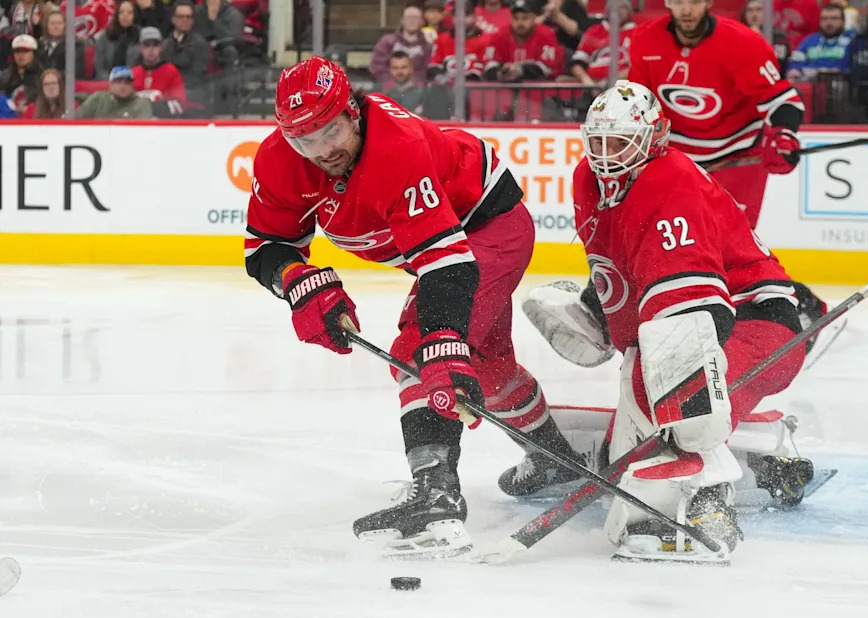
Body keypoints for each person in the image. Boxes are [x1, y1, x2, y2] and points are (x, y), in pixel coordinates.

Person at [243, 57, 580, 557]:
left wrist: (441, 341)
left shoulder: (396, 149)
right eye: (304, 140)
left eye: (330, 130)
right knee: (483, 366)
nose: (321, 151)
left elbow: (446, 263)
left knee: (422, 349)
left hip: (486, 228)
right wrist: (297, 280)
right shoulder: (279, 160)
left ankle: (437, 495)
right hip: (445, 250)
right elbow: (265, 246)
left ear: (353, 112)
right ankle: (554, 459)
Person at [544, 81, 806, 562]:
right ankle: (725, 449)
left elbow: (696, 314)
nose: (605, 155)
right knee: (639, 420)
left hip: (759, 321)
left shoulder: (670, 180)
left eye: (620, 142)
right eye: (597, 142)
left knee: (678, 398)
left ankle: (709, 497)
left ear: (654, 138)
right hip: (689, 320)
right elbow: (622, 265)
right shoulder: (589, 178)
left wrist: (669, 398)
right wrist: (602, 314)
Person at [627, 0, 835, 351]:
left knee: (729, 252)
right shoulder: (644, 41)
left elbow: (782, 100)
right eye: (678, 2)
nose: (687, 10)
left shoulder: (743, 43)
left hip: (738, 158)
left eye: (694, 1)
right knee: (669, 243)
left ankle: (798, 307)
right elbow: (639, 102)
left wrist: (784, 134)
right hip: (678, 162)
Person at [786, 3, 856, 81]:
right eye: (824, 19)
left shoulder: (852, 41)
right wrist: (795, 72)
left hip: (841, 85)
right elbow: (795, 62)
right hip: (811, 85)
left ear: (843, 21)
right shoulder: (810, 40)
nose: (829, 22)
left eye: (834, 18)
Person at [76, 65, 154, 119]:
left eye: (127, 82)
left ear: (132, 85)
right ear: (110, 84)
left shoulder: (141, 104)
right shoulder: (98, 99)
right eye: (118, 82)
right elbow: (74, 119)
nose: (123, 86)